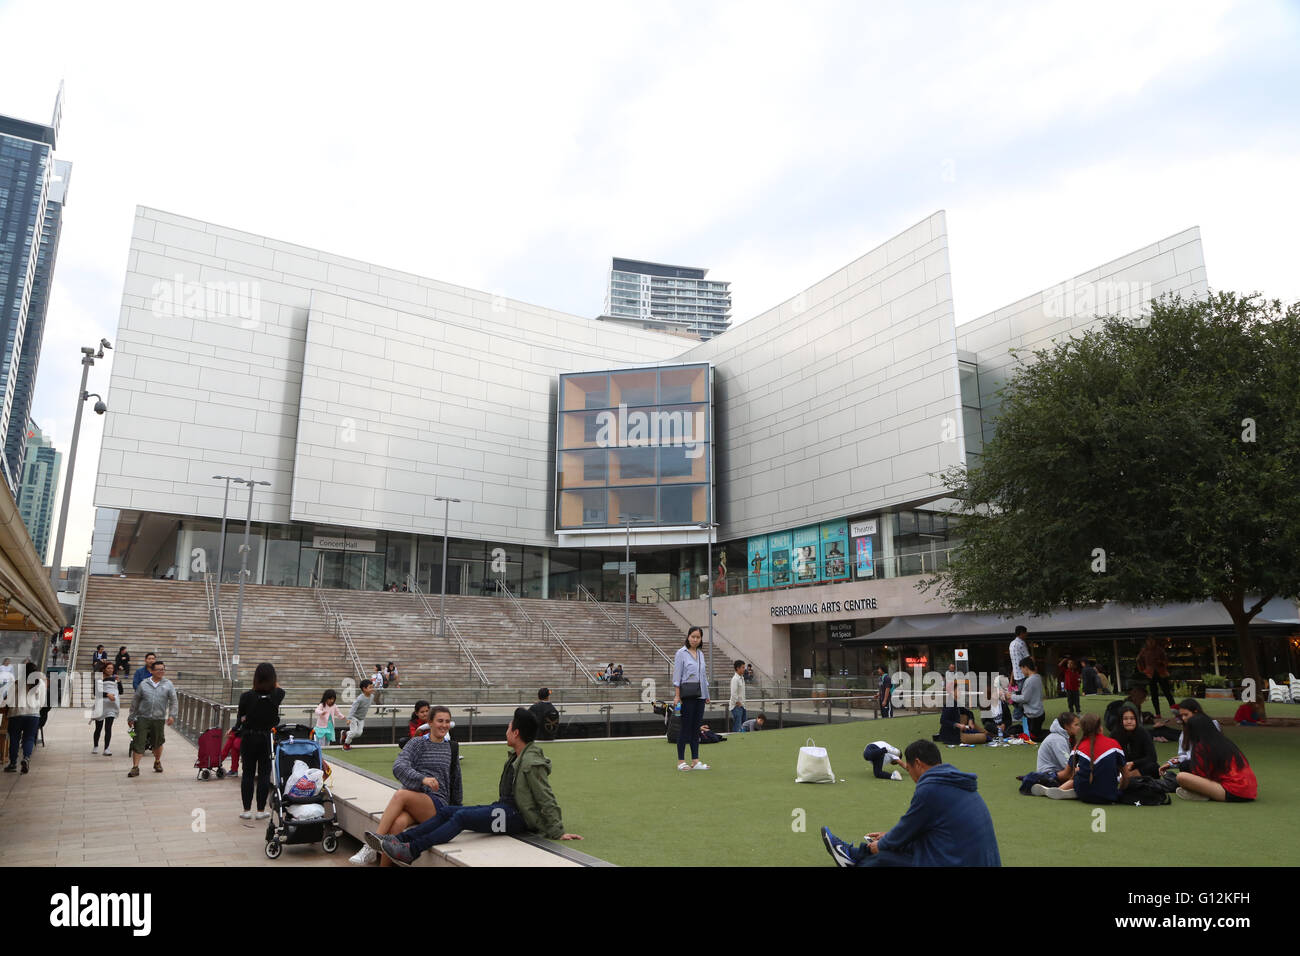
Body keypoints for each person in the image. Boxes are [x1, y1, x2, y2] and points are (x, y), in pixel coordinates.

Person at [375, 708, 582, 864]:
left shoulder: (531, 762)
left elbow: (545, 795)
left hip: (516, 817)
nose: (506, 731)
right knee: (449, 810)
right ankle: (398, 840)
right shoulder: (518, 756)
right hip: (504, 809)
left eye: (509, 727)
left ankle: (411, 851)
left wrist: (557, 830)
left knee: (462, 817)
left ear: (516, 733)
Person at [821, 739, 1000, 867]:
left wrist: (883, 844)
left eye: (909, 767)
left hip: (957, 860)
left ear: (918, 763)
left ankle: (853, 858)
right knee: (897, 847)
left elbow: (908, 826)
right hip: (971, 858)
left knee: (884, 860)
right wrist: (888, 838)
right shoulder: (955, 781)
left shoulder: (931, 788)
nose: (909, 773)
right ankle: (852, 855)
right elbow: (918, 831)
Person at [354, 706, 464, 865]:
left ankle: (370, 849)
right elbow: (399, 766)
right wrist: (422, 779)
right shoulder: (417, 743)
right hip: (415, 802)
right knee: (397, 824)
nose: (444, 725)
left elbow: (456, 781)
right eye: (440, 721)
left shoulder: (451, 747)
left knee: (401, 794)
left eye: (447, 721)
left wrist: (457, 811)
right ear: (430, 722)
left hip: (438, 804)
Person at [1037, 713, 1139, 802]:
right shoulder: (1114, 744)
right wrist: (1120, 791)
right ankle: (1059, 789)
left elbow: (1067, 773)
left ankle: (1060, 789)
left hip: (1084, 794)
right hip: (1110, 795)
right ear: (1100, 727)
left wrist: (1053, 776)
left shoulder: (1079, 745)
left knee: (1078, 774)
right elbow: (1126, 775)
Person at [236, 662, 285, 820]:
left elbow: (240, 719)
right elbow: (279, 688)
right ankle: (260, 810)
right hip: (266, 738)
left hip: (249, 737)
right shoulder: (278, 695)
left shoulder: (246, 696)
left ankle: (246, 810)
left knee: (248, 774)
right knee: (264, 774)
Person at [1175, 713, 1257, 802]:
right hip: (1250, 790)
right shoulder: (1224, 742)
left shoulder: (1202, 747)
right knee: (1186, 767)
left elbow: (1201, 775)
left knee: (1181, 777)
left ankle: (1202, 794)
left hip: (1234, 791)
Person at [127, 659, 178, 778]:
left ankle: (157, 762)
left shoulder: (168, 684)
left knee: (158, 742)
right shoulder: (144, 684)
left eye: (163, 669)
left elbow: (174, 701)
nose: (161, 671)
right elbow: (135, 701)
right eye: (158, 669)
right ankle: (135, 767)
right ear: (152, 671)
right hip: (142, 717)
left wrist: (172, 715)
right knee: (138, 741)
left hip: (159, 718)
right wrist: (131, 716)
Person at [672, 626, 711, 772]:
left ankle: (695, 760)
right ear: (688, 637)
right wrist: (677, 695)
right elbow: (677, 676)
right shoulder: (681, 653)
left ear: (701, 639)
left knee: (696, 728)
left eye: (698, 637)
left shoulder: (701, 654)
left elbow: (703, 676)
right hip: (686, 696)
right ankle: (681, 761)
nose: (695, 639)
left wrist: (706, 695)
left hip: (700, 695)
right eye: (693, 636)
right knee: (685, 728)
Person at [1020, 712, 1079, 795]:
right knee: (1081, 772)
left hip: (1055, 772)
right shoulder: (1058, 740)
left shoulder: (1064, 738)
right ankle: (1057, 789)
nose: (1079, 728)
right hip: (1049, 774)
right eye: (1076, 725)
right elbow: (1067, 766)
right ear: (1066, 726)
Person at [4, 662, 42, 774]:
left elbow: (8, 700)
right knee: (29, 738)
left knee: (14, 739)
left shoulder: (16, 684)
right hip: (33, 714)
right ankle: (26, 758)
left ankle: (13, 764)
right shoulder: (39, 684)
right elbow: (42, 701)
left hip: (16, 714)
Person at [1112, 702, 1159, 778]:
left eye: (1132, 718)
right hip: (1121, 768)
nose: (1129, 722)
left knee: (1154, 767)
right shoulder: (1115, 734)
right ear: (1120, 720)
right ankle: (1126, 778)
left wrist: (1134, 763)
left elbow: (1152, 757)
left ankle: (1127, 778)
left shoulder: (1142, 732)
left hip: (1138, 767)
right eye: (1125, 719)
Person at [1136, 635, 1176, 717]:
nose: (1150, 642)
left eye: (1152, 640)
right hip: (1150, 674)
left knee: (1167, 693)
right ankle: (1158, 713)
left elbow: (1166, 661)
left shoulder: (1159, 650)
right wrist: (1143, 670)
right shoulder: (1144, 650)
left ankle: (1176, 713)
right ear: (1146, 642)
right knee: (1154, 694)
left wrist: (1160, 662)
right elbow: (1138, 659)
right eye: (1149, 641)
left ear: (1155, 641)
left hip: (1161, 673)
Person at [1010, 658, 1045, 740]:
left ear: (1026, 667)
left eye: (1021, 669)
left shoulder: (1029, 680)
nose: (1021, 671)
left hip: (1034, 714)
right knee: (1033, 734)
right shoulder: (1038, 677)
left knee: (1034, 737)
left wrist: (1011, 696)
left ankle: (1054, 735)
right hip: (1037, 712)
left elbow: (1024, 698)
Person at [92, 662, 120, 756]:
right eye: (108, 668)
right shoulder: (99, 678)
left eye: (112, 668)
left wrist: (119, 682)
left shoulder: (115, 678)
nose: (110, 670)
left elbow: (120, 691)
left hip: (111, 706)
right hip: (101, 705)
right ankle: (95, 746)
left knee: (108, 728)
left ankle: (106, 748)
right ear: (104, 669)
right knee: (98, 728)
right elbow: (96, 692)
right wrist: (107, 694)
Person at [343, 678, 374, 750]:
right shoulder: (359, 699)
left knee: (359, 733)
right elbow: (353, 708)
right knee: (353, 732)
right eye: (370, 687)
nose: (372, 689)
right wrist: (349, 718)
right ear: (364, 689)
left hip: (361, 718)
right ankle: (346, 744)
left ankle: (345, 733)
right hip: (354, 717)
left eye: (372, 687)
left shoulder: (372, 696)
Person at [1008, 625, 1030, 720]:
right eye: (1025, 632)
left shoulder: (1011, 644)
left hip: (1017, 675)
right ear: (1021, 633)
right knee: (1023, 696)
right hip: (1024, 674)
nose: (1026, 634)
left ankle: (1018, 714)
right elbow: (1027, 658)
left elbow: (1014, 662)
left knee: (1019, 695)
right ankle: (1017, 715)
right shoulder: (1021, 643)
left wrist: (1012, 678)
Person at [728, 660, 747, 732]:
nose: (744, 669)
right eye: (742, 667)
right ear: (737, 668)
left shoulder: (742, 678)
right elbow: (733, 693)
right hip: (737, 706)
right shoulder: (735, 679)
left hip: (742, 705)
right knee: (737, 726)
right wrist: (737, 702)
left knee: (743, 725)